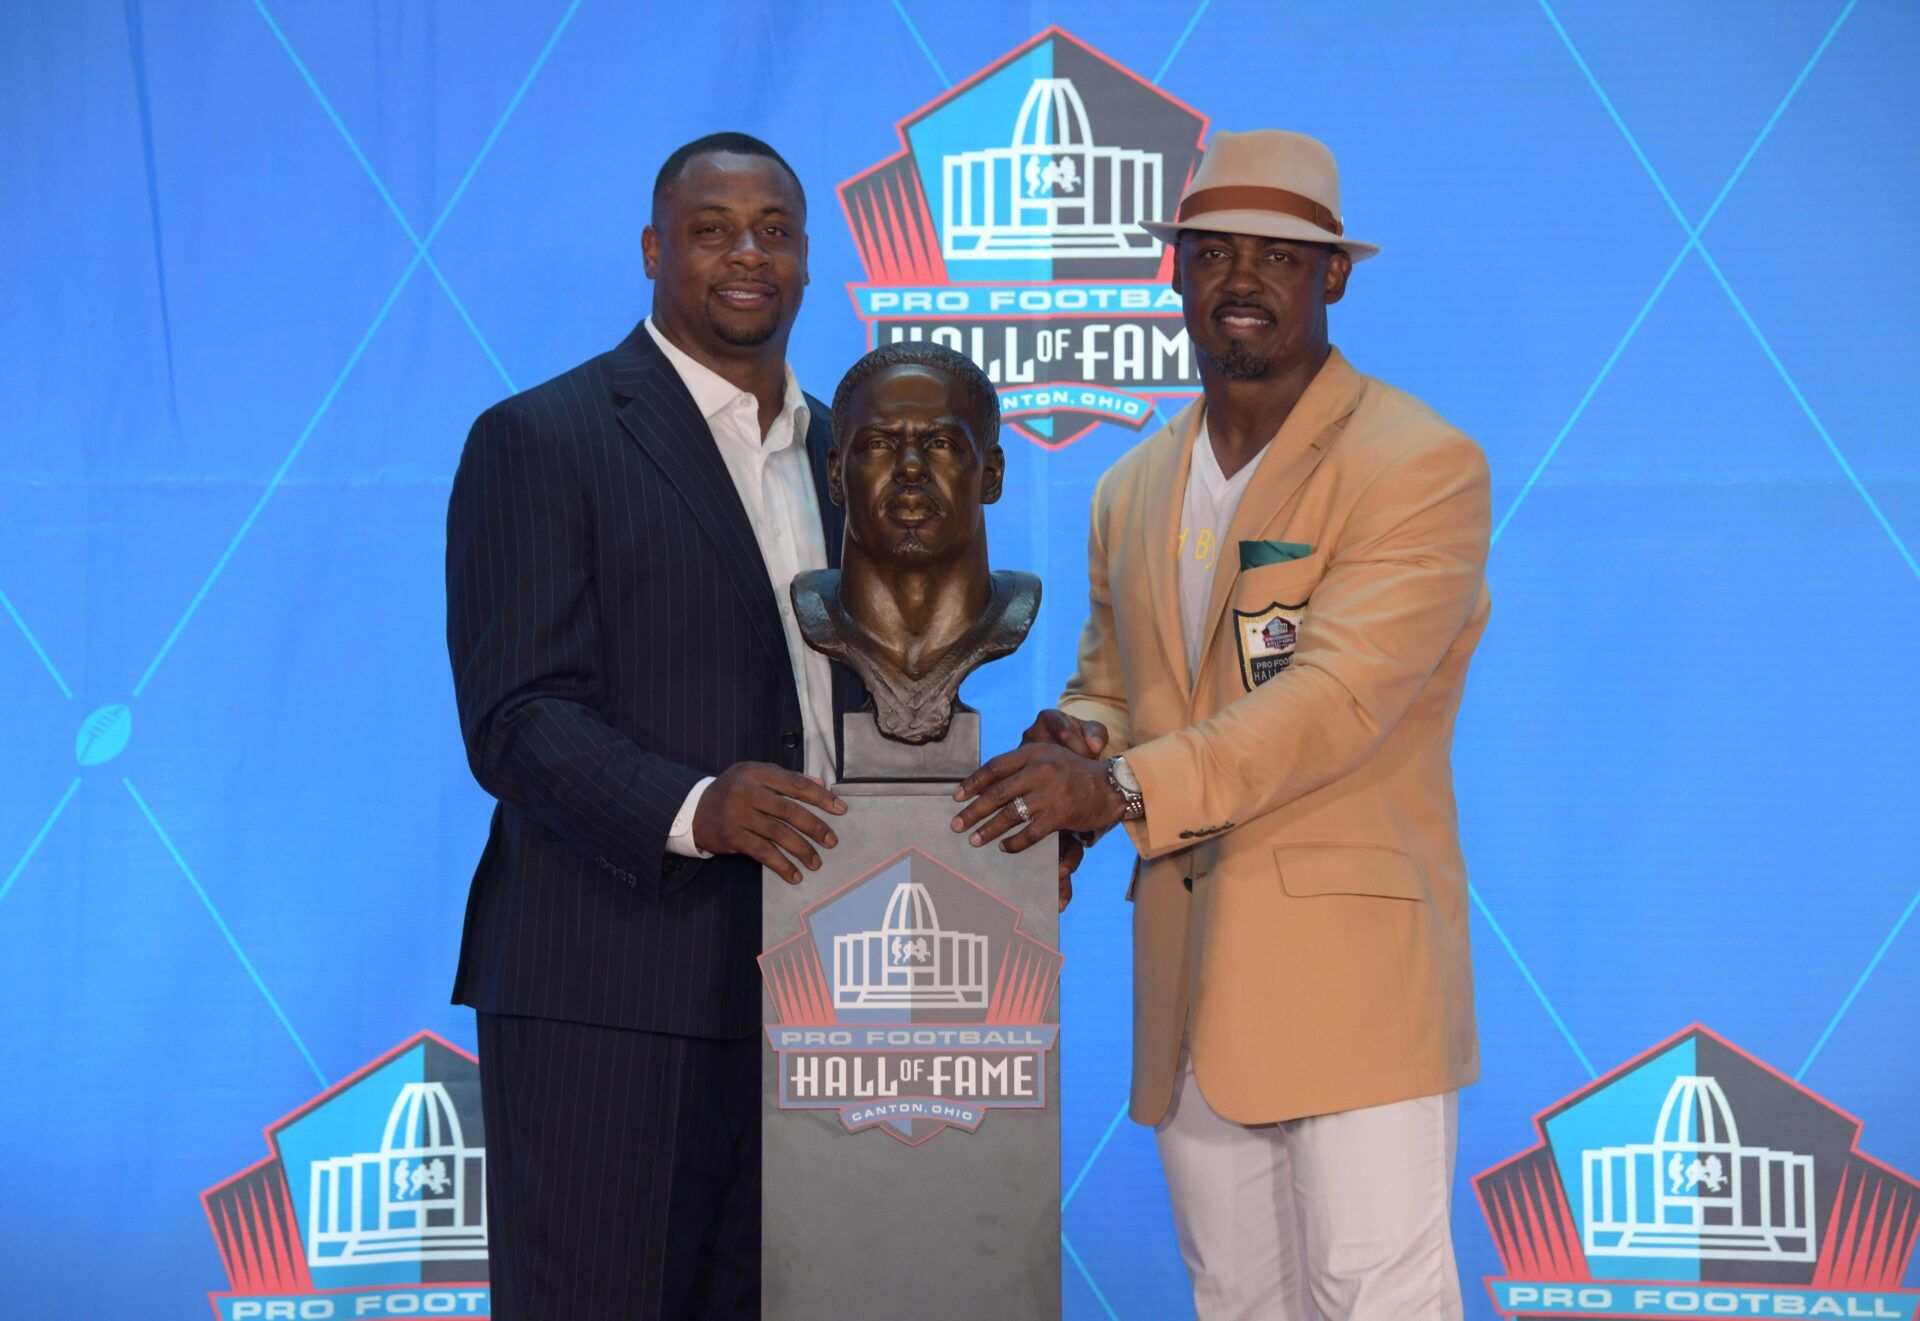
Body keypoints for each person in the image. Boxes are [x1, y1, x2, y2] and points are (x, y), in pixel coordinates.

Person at [952, 128, 1491, 1318]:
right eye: (1217, 253)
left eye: (1282, 257)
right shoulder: (1131, 486)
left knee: (1377, 1294)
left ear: (1334, 276)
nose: (1243, 279)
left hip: (1355, 982)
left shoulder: (1418, 463)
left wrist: (1123, 791)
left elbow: (1335, 701)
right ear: (1178, 271)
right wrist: (1078, 744)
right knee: (1237, 1299)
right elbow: (1114, 681)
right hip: (1189, 974)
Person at [445, 131, 857, 1320]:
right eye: (713, 228)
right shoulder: (543, 437)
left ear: (808, 259)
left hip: (816, 993)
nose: (747, 255)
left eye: (774, 230)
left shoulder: (855, 454)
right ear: (652, 250)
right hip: (608, 990)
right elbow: (515, 715)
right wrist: (696, 806)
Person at [792, 341, 1039, 746]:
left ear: (991, 475)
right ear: (836, 476)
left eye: (941, 443)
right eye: (878, 444)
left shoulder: (1014, 610)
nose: (909, 467)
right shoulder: (815, 612)